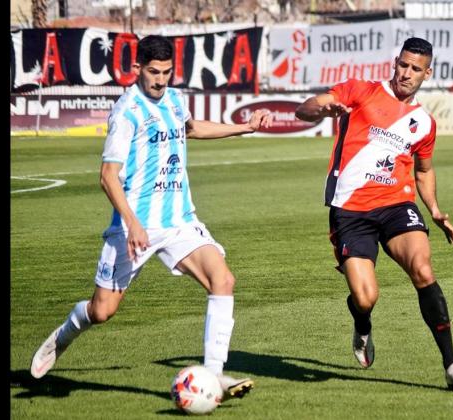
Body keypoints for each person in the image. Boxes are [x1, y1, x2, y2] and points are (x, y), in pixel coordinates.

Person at [30, 35, 273, 402]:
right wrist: (132, 222)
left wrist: (244, 127)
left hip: (178, 220)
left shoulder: (175, 100)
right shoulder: (126, 112)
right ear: (138, 68)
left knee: (223, 280)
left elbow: (191, 129)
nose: (161, 80)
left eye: (167, 72)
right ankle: (65, 333)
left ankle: (213, 377)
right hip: (134, 227)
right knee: (102, 311)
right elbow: (107, 176)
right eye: (154, 72)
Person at [294, 37, 453, 390]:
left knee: (423, 269)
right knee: (365, 297)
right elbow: (308, 106)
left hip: (397, 204)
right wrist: (319, 109)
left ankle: (452, 365)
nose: (406, 74)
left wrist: (436, 210)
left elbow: (423, 171)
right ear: (395, 62)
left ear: (428, 73)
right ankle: (362, 325)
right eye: (403, 65)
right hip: (351, 211)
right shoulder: (361, 91)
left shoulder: (424, 122)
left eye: (415, 69)